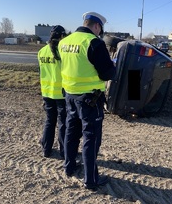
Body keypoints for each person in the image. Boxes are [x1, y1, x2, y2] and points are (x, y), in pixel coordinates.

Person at [58, 12, 116, 190]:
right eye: (100, 30)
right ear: (97, 26)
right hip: (90, 99)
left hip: (69, 96)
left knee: (71, 133)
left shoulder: (64, 42)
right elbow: (107, 74)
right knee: (91, 137)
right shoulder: (94, 42)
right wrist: (113, 64)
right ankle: (91, 180)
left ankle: (69, 167)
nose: (100, 33)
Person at [38, 25, 67, 158]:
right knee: (62, 123)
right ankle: (64, 151)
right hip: (61, 93)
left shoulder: (41, 51)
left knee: (50, 121)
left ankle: (46, 149)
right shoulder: (63, 52)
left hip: (46, 92)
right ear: (62, 36)